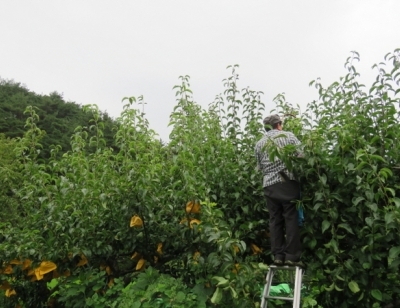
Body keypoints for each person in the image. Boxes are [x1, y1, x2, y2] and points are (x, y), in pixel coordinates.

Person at [254, 114, 303, 266]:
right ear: (279, 124)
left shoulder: (259, 143)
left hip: (269, 185)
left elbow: (259, 167)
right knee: (290, 217)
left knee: (275, 219)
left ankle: (278, 255)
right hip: (287, 182)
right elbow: (301, 155)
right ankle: (291, 255)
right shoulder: (288, 136)